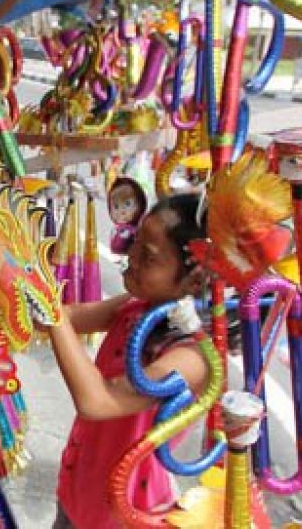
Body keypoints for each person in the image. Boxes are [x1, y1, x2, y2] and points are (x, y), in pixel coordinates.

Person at [48, 193, 210, 528]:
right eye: (135, 243)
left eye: (148, 258)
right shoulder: (138, 306)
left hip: (123, 512)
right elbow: (73, 317)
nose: (130, 258)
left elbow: (99, 401)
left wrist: (49, 312)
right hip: (80, 489)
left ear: (194, 279)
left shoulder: (192, 356)